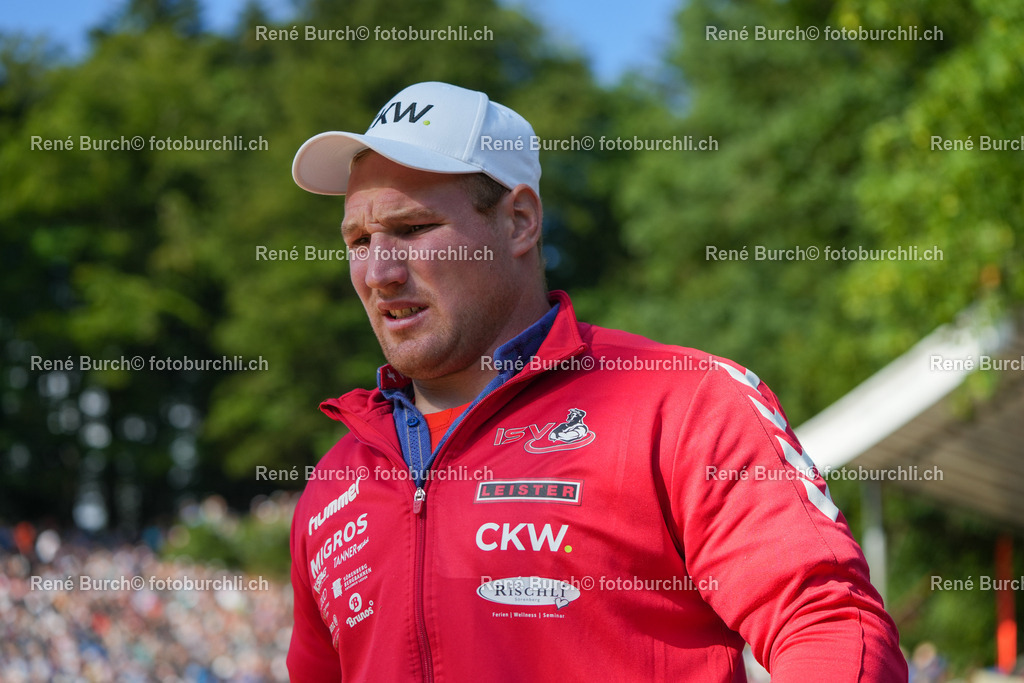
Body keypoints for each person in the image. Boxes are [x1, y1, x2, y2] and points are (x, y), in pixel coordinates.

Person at [287, 81, 908, 682]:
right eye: (359, 239)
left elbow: (828, 624)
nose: (379, 271)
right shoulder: (333, 484)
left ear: (520, 222)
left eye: (414, 228)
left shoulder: (682, 401)